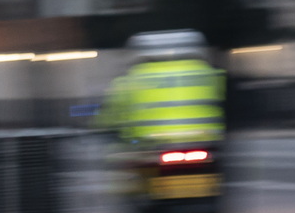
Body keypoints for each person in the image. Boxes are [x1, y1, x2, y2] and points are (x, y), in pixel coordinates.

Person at [97, 30, 226, 147]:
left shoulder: (127, 81)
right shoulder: (213, 75)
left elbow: (107, 120)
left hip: (149, 147)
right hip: (207, 143)